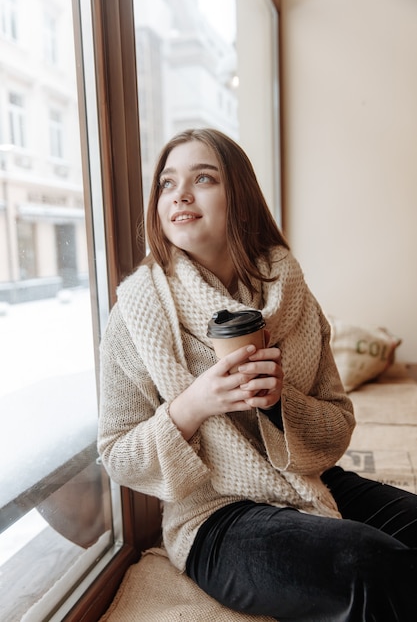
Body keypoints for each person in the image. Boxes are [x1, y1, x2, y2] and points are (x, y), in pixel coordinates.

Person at [98, 128, 417, 621]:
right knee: (368, 563)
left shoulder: (293, 297)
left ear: (240, 198)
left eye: (202, 178)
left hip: (309, 481)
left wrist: (279, 404)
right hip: (215, 518)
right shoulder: (137, 313)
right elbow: (117, 453)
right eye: (166, 183)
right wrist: (194, 404)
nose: (179, 194)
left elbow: (337, 423)